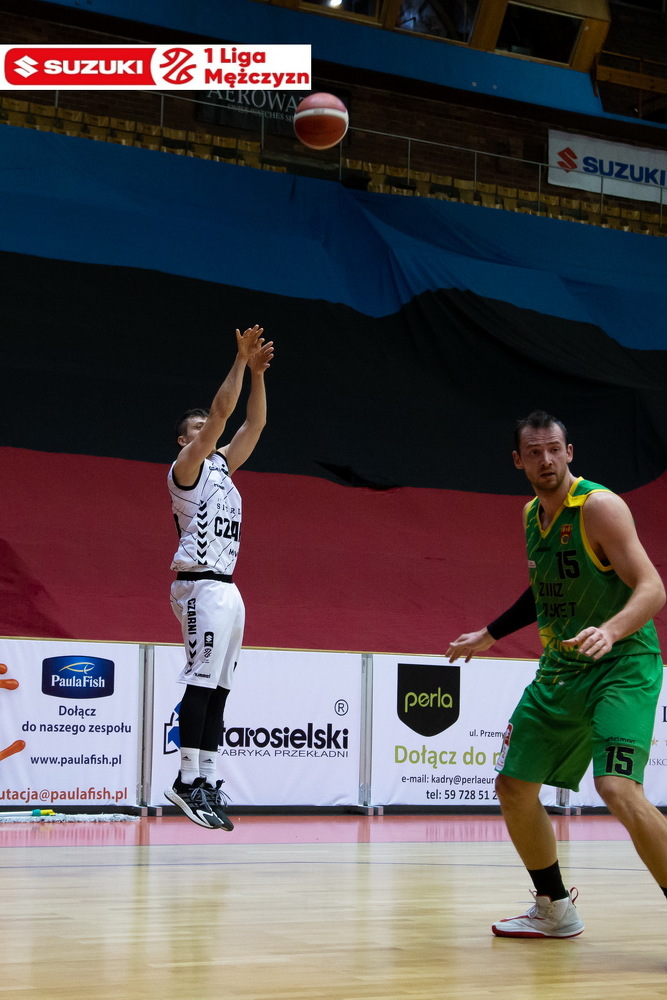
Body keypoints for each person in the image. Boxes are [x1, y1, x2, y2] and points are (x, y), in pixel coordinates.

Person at [446, 410, 666, 938]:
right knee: (513, 786)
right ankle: (554, 908)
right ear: (518, 461)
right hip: (562, 670)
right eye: (534, 452)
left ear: (569, 453)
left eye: (554, 449)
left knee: (617, 787)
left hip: (622, 664)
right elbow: (545, 587)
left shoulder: (600, 507)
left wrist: (610, 630)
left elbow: (652, 588)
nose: (546, 460)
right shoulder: (532, 515)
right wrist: (491, 633)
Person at [165, 324, 274, 830]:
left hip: (228, 587)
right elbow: (224, 416)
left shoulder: (224, 468)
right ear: (184, 440)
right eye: (198, 427)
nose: (207, 429)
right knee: (200, 681)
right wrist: (239, 361)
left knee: (220, 688)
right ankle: (185, 780)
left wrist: (258, 375)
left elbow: (254, 424)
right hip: (200, 584)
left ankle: (207, 778)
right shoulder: (185, 467)